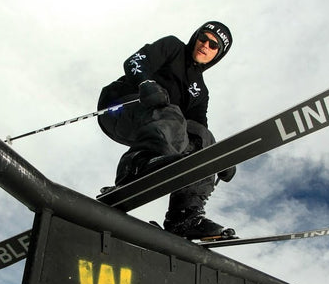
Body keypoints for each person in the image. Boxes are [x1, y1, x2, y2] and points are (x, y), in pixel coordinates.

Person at [97, 21, 237, 240]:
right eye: (203, 38)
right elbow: (135, 61)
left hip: (158, 127)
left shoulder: (200, 92)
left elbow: (198, 130)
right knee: (171, 111)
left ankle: (184, 214)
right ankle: (136, 165)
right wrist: (146, 83)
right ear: (196, 37)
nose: (205, 46)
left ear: (218, 54)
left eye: (213, 45)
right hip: (123, 107)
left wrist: (218, 158)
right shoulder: (173, 47)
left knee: (203, 139)